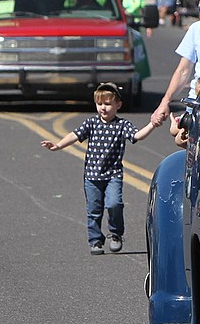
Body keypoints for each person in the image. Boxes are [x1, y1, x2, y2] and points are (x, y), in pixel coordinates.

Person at [41, 83, 160, 255]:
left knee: (114, 204)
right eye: (100, 104)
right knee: (94, 210)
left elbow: (137, 136)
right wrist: (58, 145)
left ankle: (116, 233)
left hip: (113, 175)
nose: (103, 108)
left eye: (108, 104)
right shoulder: (91, 123)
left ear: (118, 105)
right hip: (92, 175)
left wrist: (152, 125)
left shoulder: (122, 125)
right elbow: (74, 135)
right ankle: (95, 240)